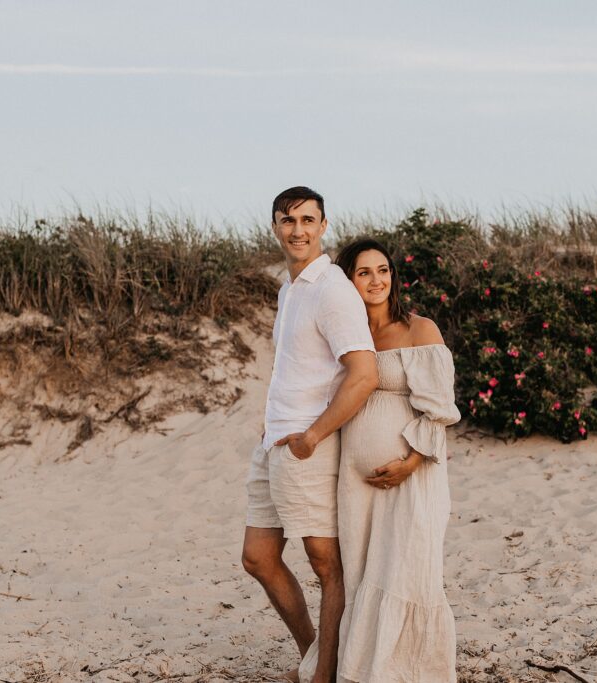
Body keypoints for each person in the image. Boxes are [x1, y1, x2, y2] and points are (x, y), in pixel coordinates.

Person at [300, 238, 461, 681]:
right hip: (355, 480)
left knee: (409, 569)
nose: (377, 280)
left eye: (383, 269)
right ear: (348, 281)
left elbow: (440, 410)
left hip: (413, 474)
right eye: (364, 272)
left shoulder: (418, 329)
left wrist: (410, 461)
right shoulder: (346, 335)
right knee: (361, 571)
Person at [242, 187, 379, 683]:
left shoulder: (333, 289)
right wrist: (274, 426)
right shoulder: (290, 287)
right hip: (273, 444)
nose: (297, 230)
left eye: (307, 220)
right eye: (287, 220)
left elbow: (363, 374)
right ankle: (315, 656)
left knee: (327, 566)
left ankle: (325, 673)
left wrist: (313, 436)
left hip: (307, 448)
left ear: (323, 225)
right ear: (274, 226)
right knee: (258, 558)